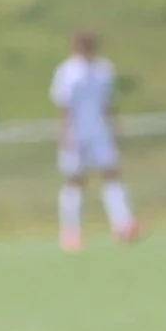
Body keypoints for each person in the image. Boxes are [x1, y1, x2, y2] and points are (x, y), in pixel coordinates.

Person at [50, 30, 138, 251]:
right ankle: (71, 231)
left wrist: (115, 130)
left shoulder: (103, 69)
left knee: (111, 174)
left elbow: (108, 104)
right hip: (77, 133)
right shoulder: (67, 72)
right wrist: (64, 135)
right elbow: (63, 107)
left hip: (100, 131)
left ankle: (123, 224)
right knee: (74, 179)